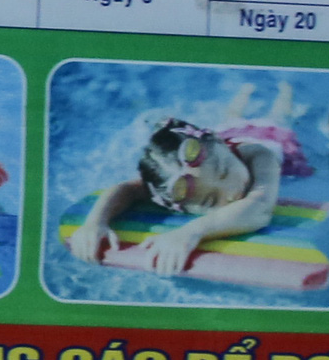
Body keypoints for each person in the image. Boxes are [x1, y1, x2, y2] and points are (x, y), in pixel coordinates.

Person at [69, 83, 304, 276]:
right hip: (221, 141)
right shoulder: (208, 160)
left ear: (219, 142)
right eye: (211, 201)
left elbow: (261, 209)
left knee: (277, 116)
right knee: (231, 118)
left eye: (224, 172)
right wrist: (95, 223)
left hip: (271, 134)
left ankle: (282, 90)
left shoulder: (259, 155)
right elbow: (128, 189)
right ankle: (245, 93)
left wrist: (190, 232)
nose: (232, 192)